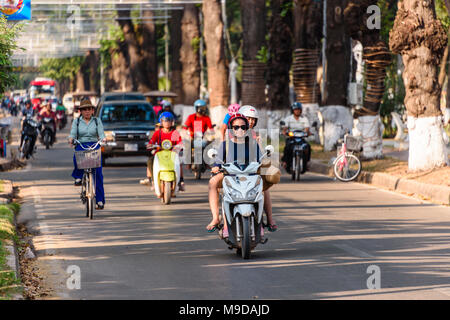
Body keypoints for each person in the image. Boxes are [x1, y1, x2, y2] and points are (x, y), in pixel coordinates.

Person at [207, 113, 264, 231]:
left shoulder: (253, 143)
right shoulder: (226, 144)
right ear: (231, 129)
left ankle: (262, 221)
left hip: (249, 176)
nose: (240, 130)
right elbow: (218, 161)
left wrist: (265, 163)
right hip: (230, 176)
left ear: (247, 129)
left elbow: (261, 159)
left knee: (264, 188)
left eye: (243, 127)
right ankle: (215, 218)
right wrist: (216, 166)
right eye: (236, 127)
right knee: (213, 182)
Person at [239, 105, 277, 232]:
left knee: (264, 189)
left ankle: (269, 219)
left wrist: (260, 145)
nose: (251, 122)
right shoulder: (231, 133)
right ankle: (223, 222)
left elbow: (260, 156)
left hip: (252, 171)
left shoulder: (254, 134)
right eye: (248, 118)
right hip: (235, 173)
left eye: (253, 119)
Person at [68, 99, 107, 210]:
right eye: (84, 109)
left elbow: (101, 133)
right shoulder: (77, 121)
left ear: (92, 110)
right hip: (81, 144)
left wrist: (103, 139)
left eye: (89, 109)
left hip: (94, 145)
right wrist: (71, 139)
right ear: (81, 111)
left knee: (98, 173)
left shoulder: (96, 121)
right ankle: (78, 177)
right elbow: (73, 133)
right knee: (77, 158)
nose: (87, 111)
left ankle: (99, 200)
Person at [141, 112, 185, 192]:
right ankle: (153, 180)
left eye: (169, 121)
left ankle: (180, 182)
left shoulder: (174, 133)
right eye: (165, 121)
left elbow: (179, 142)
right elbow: (152, 141)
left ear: (172, 122)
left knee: (179, 162)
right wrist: (150, 145)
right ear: (161, 122)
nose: (167, 123)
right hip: (159, 153)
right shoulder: (158, 133)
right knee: (150, 161)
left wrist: (179, 146)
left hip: (172, 154)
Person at [281, 102, 312, 173]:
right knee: (287, 147)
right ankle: (285, 162)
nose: (297, 111)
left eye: (298, 109)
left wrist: (307, 133)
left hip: (301, 138)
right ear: (293, 110)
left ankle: (307, 163)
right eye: (295, 109)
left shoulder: (304, 119)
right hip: (292, 138)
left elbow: (307, 129)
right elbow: (284, 129)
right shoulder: (288, 118)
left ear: (300, 110)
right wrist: (284, 132)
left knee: (307, 147)